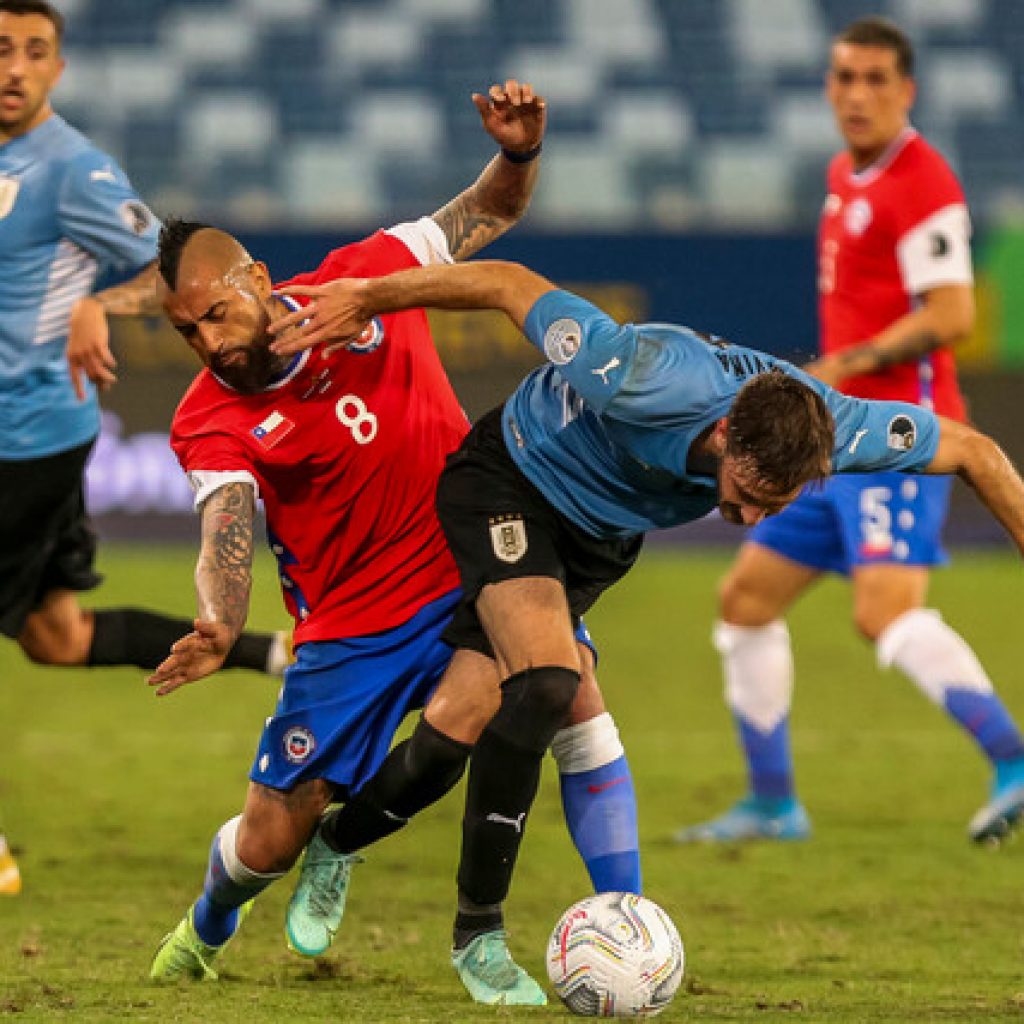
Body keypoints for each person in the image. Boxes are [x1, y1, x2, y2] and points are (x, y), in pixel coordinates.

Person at [266, 252, 1024, 985]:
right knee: (549, 686)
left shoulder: (835, 427)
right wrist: (369, 298)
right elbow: (506, 282)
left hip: (597, 540)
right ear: (726, 434)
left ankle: (339, 840)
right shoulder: (638, 372)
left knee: (449, 734)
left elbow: (976, 451)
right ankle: (480, 935)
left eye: (777, 504)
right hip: (510, 482)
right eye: (748, 492)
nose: (754, 518)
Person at [146, 81, 642, 1008]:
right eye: (186, 333)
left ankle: (614, 923)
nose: (207, 346)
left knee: (563, 691)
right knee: (267, 841)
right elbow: (226, 525)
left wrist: (520, 152)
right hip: (349, 625)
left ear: (256, 279)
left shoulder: (366, 274)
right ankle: (211, 919)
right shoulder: (208, 417)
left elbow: (486, 212)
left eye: (215, 316)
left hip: (477, 567)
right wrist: (220, 619)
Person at [675, 16, 1024, 847]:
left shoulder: (923, 182)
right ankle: (773, 804)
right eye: (844, 78)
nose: (857, 95)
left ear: (907, 91)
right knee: (746, 600)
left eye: (876, 79)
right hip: (827, 445)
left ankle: (1014, 761)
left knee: (884, 613)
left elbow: (953, 312)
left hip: (896, 438)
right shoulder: (845, 172)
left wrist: (848, 360)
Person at [0, 0, 284, 897]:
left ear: (58, 67)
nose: (14, 67)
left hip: (25, 441)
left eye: (35, 52)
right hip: (30, 441)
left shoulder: (73, 169)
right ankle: (277, 654)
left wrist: (98, 304)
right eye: (0, 49)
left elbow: (172, 265)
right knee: (55, 635)